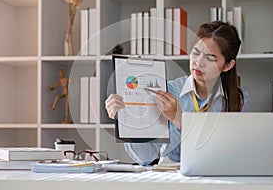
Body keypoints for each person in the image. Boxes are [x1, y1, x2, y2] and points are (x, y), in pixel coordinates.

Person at [105, 21, 250, 165]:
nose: (198, 62)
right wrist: (127, 120)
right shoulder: (168, 92)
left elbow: (230, 154)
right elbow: (146, 158)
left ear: (228, 65)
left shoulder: (239, 99)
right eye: (196, 52)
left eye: (210, 57)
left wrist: (179, 119)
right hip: (172, 179)